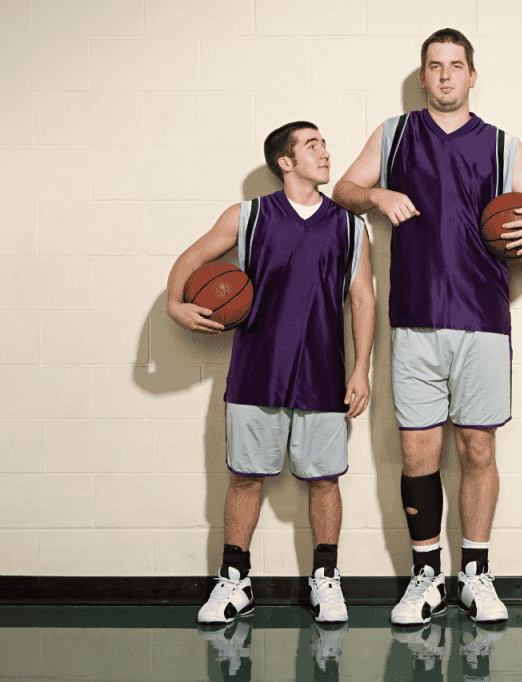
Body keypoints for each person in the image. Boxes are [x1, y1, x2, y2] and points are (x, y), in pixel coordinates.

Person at [332, 28, 522, 626]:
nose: (444, 76)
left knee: (478, 447)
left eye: (455, 66)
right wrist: (377, 195)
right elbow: (343, 189)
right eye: (434, 66)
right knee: (418, 455)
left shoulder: (502, 145)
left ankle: (477, 576)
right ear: (422, 75)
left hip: (483, 319)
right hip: (413, 319)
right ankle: (425, 578)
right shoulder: (394, 133)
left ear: (471, 75)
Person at [167, 121, 375, 625]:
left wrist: (362, 369)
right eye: (312, 146)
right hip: (256, 371)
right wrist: (176, 305)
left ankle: (325, 580)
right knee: (245, 479)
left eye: (324, 143)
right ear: (285, 161)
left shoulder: (350, 225)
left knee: (324, 482)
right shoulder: (249, 216)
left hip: (323, 373)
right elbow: (191, 258)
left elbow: (363, 297)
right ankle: (234, 582)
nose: (325, 152)